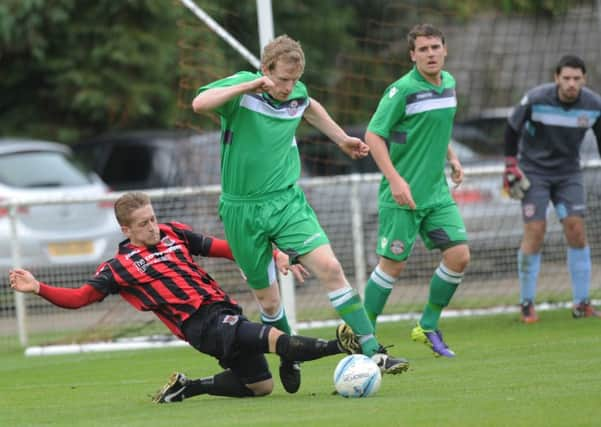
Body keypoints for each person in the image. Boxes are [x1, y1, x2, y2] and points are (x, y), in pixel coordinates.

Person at [191, 35, 409, 380]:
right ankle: (288, 354)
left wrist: (341, 139)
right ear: (265, 70)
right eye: (281, 80)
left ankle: (373, 350)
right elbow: (200, 104)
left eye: (294, 80)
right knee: (269, 302)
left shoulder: (296, 93)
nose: (288, 87)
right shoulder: (241, 88)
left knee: (331, 267)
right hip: (241, 210)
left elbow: (310, 106)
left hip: (287, 202)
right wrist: (248, 86)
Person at [8, 192, 360, 402]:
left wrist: (275, 252)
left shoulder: (175, 233)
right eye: (143, 223)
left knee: (260, 387)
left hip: (222, 310)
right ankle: (342, 345)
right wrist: (38, 288)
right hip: (201, 324)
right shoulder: (118, 267)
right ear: (125, 230)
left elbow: (227, 249)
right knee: (273, 338)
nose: (153, 226)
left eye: (153, 218)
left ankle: (189, 388)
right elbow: (80, 298)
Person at [361, 24, 470, 358]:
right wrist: (395, 180)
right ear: (412, 55)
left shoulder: (449, 84)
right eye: (423, 49)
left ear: (445, 49)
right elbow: (373, 135)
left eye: (435, 47)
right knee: (391, 267)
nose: (431, 53)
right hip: (402, 197)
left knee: (459, 256)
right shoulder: (402, 90)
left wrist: (452, 158)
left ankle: (428, 325)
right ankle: (363, 338)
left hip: (436, 195)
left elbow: (436, 130)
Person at [503, 54, 601, 323]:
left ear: (584, 80)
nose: (571, 83)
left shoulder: (593, 105)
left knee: (577, 230)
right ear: (556, 78)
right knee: (536, 231)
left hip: (569, 173)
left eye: (576, 79)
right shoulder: (536, 98)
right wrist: (511, 166)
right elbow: (511, 129)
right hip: (533, 172)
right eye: (566, 78)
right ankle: (527, 303)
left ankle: (582, 303)